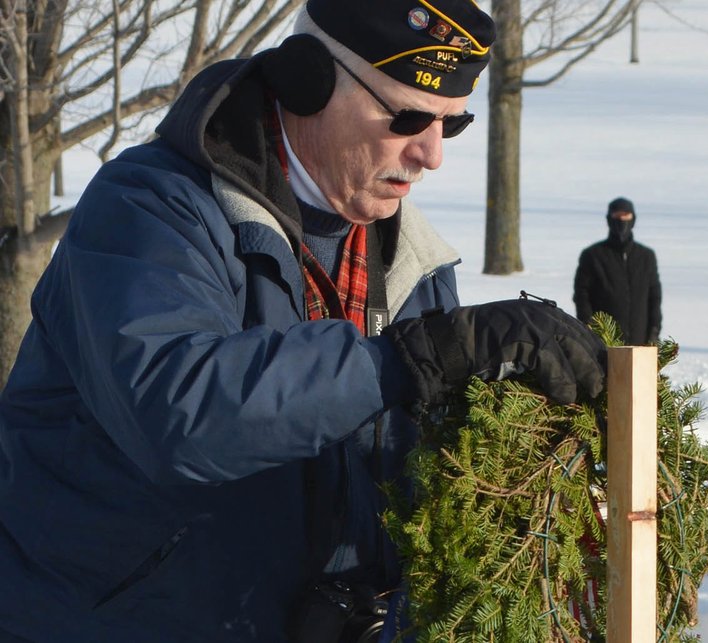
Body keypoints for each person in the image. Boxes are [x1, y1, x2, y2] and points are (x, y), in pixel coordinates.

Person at [0, 2, 608, 641]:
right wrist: (417, 358)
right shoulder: (149, 210)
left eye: (451, 125)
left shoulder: (416, 266)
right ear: (306, 82)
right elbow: (179, 412)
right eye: (407, 118)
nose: (431, 154)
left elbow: (407, 489)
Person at [572, 197, 663, 345]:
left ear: (633, 219)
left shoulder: (646, 256)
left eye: (626, 215)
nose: (621, 220)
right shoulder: (593, 255)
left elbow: (654, 297)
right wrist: (590, 328)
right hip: (603, 341)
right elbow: (582, 295)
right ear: (609, 219)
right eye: (617, 215)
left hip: (640, 341)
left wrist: (654, 330)